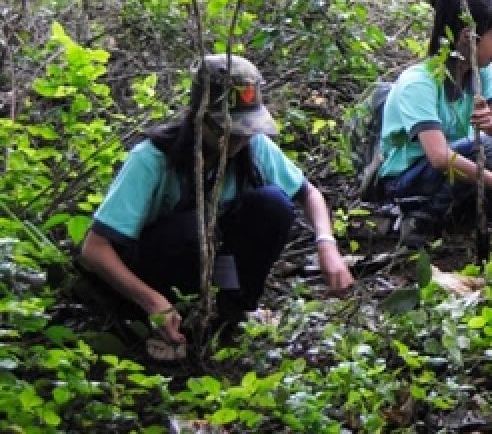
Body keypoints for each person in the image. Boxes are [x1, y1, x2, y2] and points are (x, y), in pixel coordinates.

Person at [79, 54, 353, 352]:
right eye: (226, 131)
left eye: (243, 132)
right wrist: (151, 301)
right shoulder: (152, 160)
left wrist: (326, 244)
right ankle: (164, 323)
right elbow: (95, 249)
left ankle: (228, 315)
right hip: (155, 269)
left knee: (272, 204)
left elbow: (308, 194)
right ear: (199, 118)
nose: (236, 141)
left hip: (215, 261)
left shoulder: (253, 145)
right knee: (192, 229)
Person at [377, 0, 492, 231]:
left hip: (460, 160)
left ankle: (472, 201)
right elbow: (440, 158)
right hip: (409, 179)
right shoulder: (419, 83)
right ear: (468, 36)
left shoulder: (482, 70)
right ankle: (428, 214)